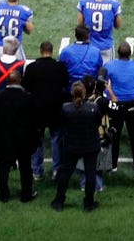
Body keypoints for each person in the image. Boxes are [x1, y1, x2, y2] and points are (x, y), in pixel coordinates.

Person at [52, 80, 102, 210]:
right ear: (85, 93)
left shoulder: (65, 108)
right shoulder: (93, 108)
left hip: (71, 146)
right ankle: (89, 203)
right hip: (90, 145)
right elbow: (97, 123)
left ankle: (59, 201)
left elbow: (62, 125)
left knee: (65, 173)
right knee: (90, 173)